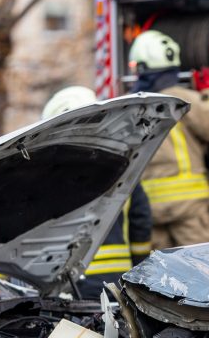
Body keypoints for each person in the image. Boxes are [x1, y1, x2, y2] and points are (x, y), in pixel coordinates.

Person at [41, 85, 152, 299]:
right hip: (120, 283)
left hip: (71, 288)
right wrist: (139, 266)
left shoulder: (48, 176)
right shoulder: (123, 167)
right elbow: (141, 219)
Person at [128, 29, 209, 249]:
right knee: (200, 271)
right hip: (189, 208)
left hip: (150, 209)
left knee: (157, 278)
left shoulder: (127, 107)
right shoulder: (182, 99)